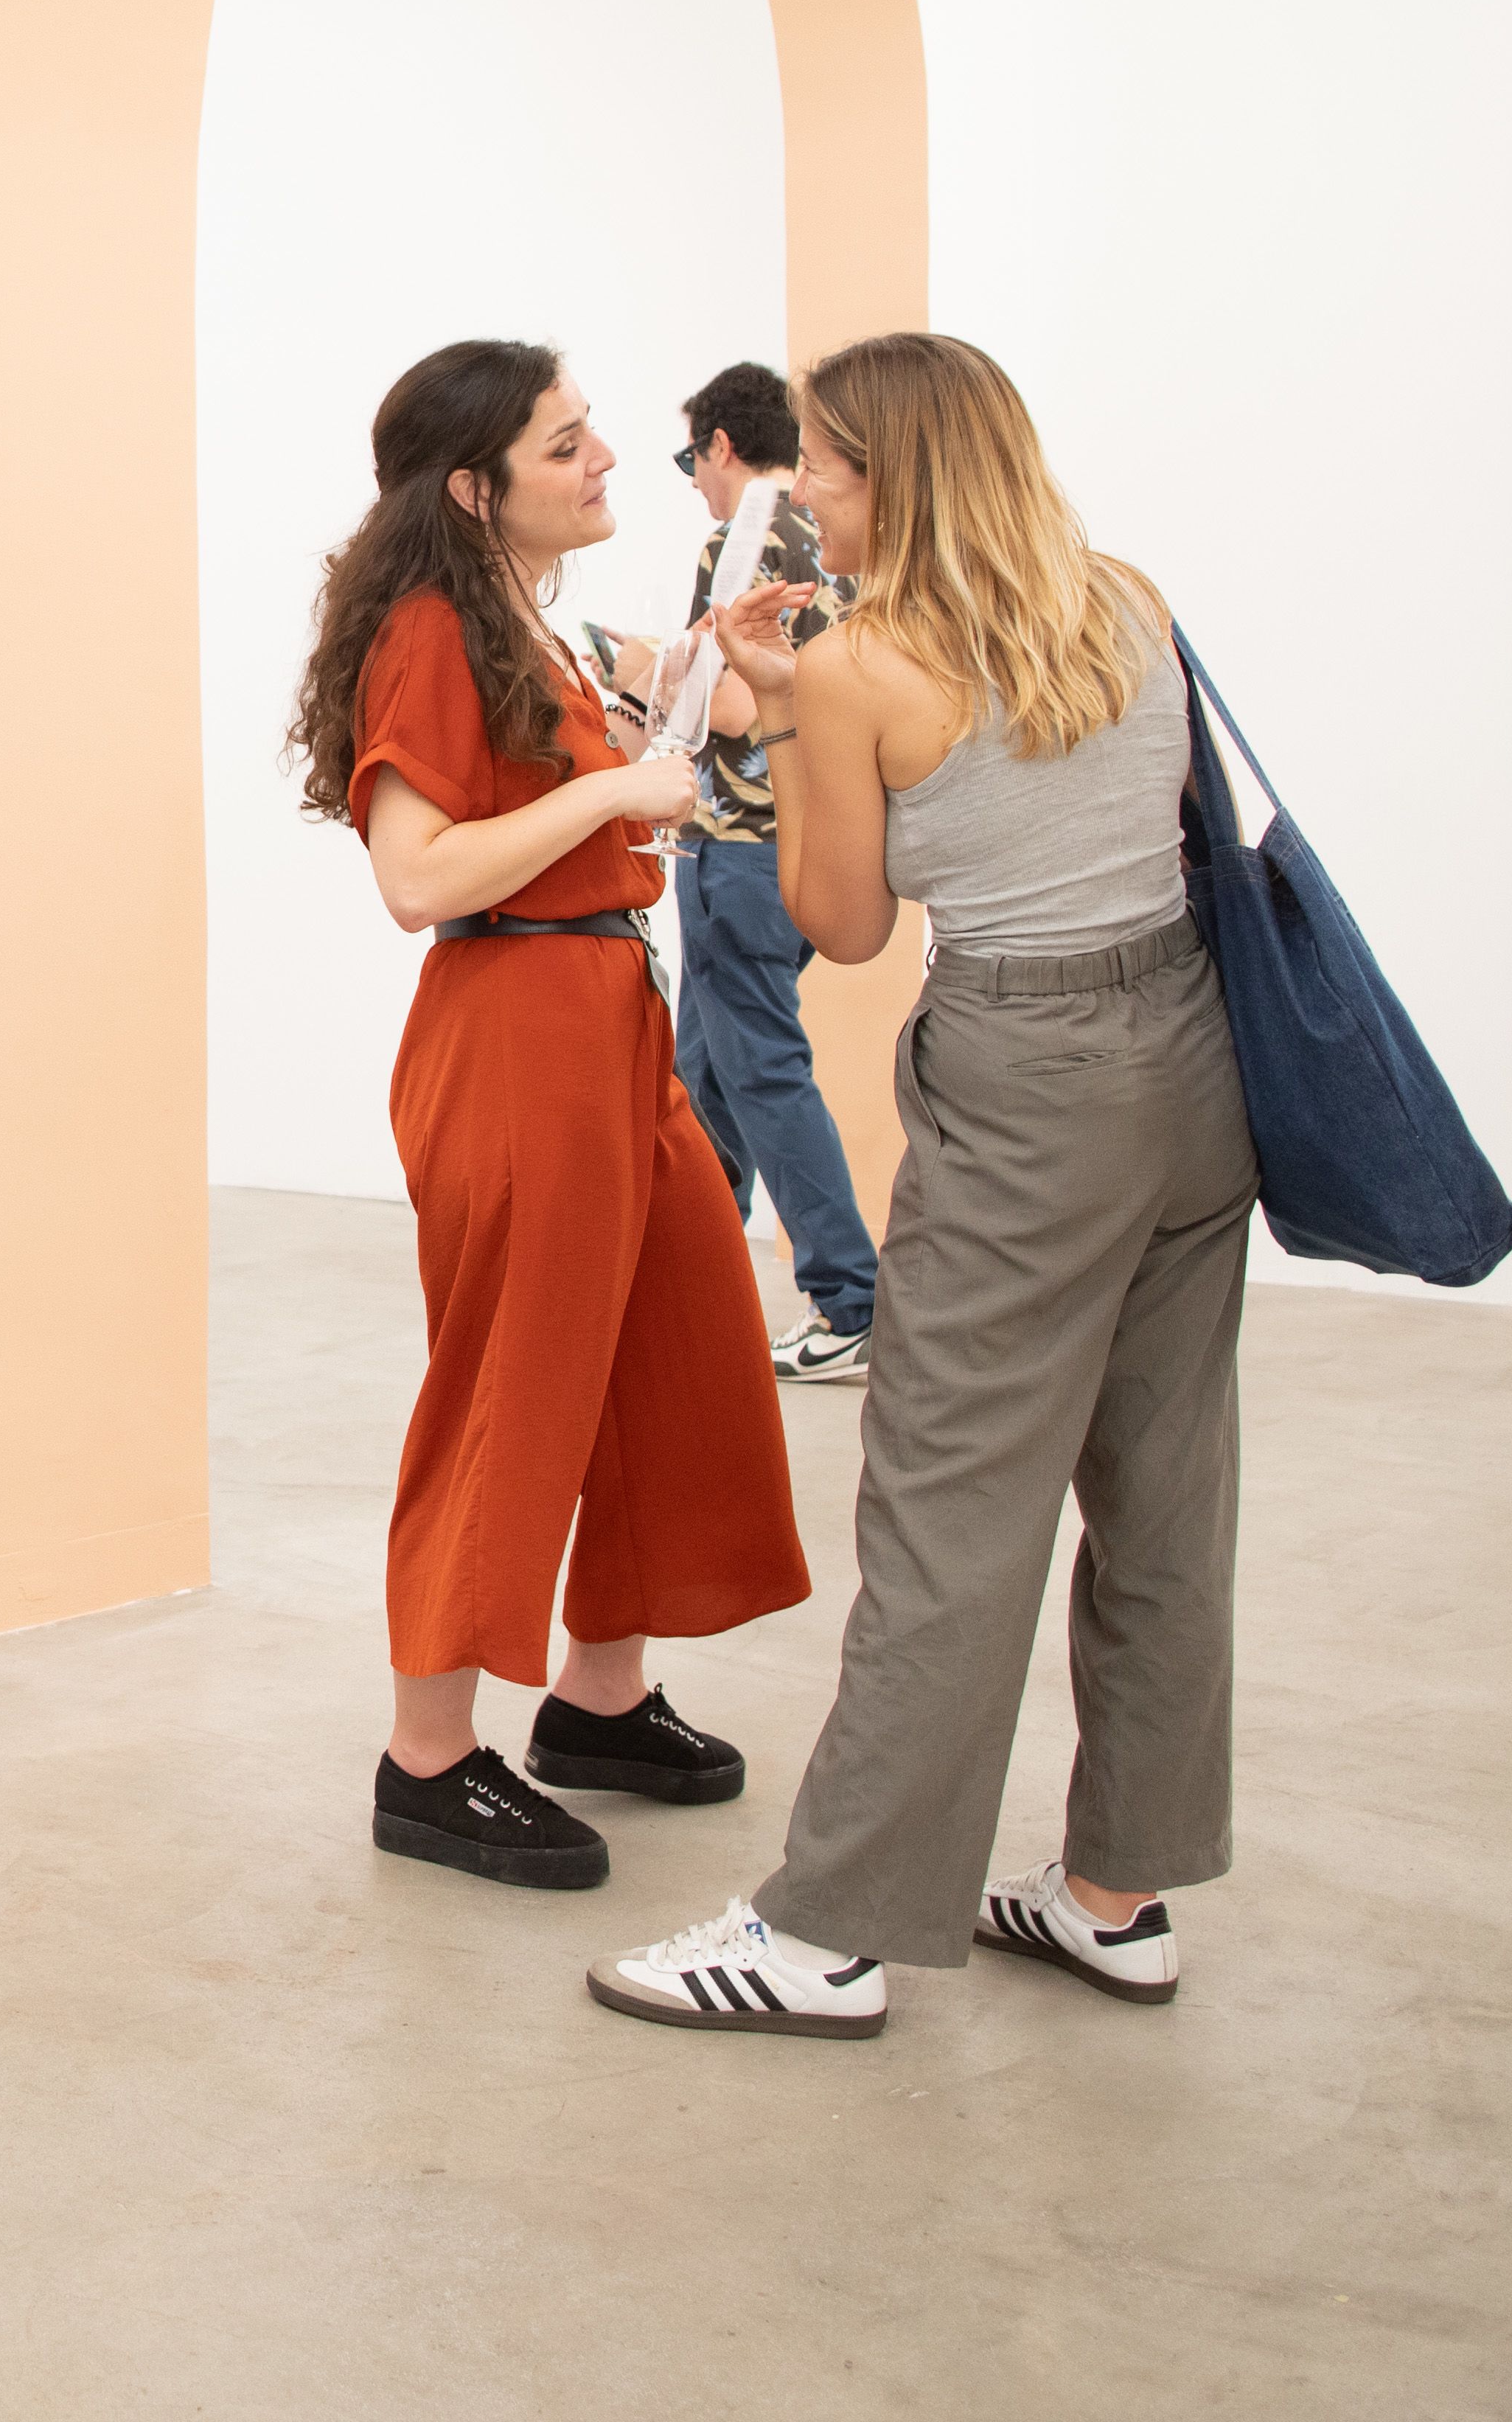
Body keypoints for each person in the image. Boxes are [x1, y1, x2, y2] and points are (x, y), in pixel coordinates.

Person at [591, 333, 1258, 2044]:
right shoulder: (1127, 596)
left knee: (949, 1511)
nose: (801, 488)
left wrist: (795, 710)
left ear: (899, 478)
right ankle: (1119, 1897)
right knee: (1164, 1492)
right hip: (1192, 1067)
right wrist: (808, 686)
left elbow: (847, 925)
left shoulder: (865, 668)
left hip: (1031, 1081)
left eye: (824, 462)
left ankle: (830, 1932)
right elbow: (1152, 812)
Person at [293, 341, 809, 1893]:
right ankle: (430, 1756)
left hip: (606, 1021)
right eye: (568, 443)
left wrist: (708, 660)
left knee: (679, 1348)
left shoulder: (540, 622)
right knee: (511, 1385)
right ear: (477, 486)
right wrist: (613, 800)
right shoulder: (436, 630)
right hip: (516, 1028)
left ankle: (595, 1696)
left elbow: (623, 736)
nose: (604, 462)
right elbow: (419, 875)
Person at [644, 361, 884, 1379]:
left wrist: (632, 672)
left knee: (760, 1076)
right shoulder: (840, 546)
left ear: (721, 448)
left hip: (739, 853)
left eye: (689, 459)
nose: (694, 480)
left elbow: (733, 706)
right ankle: (689, 1296)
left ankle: (851, 1298)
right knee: (708, 1082)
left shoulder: (740, 537)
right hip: (816, 838)